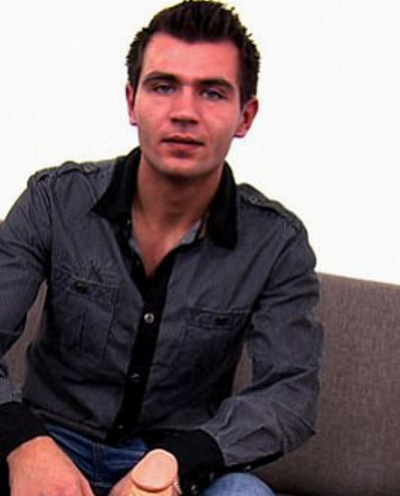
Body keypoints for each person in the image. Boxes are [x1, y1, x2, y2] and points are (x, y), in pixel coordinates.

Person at [0, 1, 323, 495]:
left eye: (212, 92)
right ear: (132, 102)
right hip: (50, 438)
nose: (184, 112)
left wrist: (178, 462)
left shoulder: (277, 244)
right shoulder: (55, 201)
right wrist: (24, 443)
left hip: (174, 460)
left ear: (245, 115)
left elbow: (290, 392)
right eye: (163, 86)